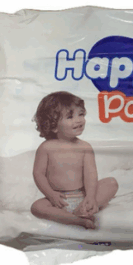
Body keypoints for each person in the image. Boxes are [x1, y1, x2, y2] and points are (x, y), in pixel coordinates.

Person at [30, 91, 118, 229]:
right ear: (53, 125)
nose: (79, 120)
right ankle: (77, 220)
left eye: (81, 114)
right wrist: (51, 194)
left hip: (83, 195)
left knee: (111, 183)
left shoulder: (85, 147)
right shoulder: (46, 148)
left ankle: (85, 208)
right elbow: (38, 174)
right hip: (59, 200)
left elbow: (90, 175)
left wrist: (90, 196)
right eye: (70, 116)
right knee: (37, 207)